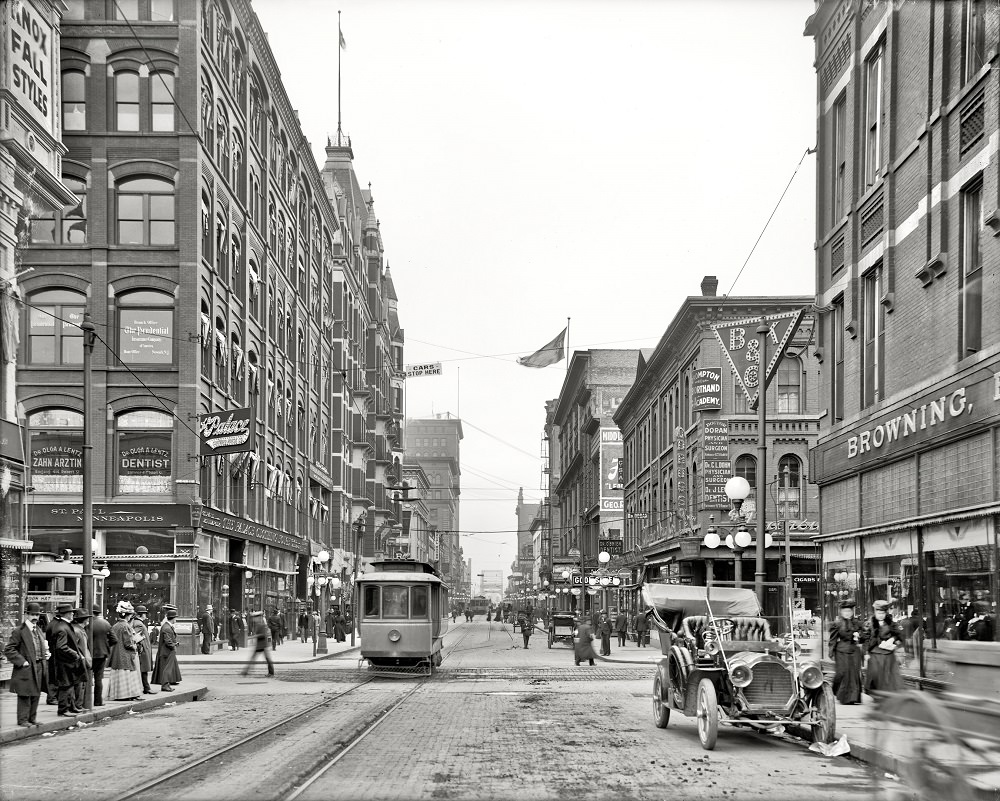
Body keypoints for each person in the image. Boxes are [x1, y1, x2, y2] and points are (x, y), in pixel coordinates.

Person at [4, 602, 47, 727]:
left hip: (39, 665)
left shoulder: (38, 630)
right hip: (26, 667)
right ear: (26, 615)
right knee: (25, 694)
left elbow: (40, 646)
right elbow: (9, 649)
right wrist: (22, 661)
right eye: (32, 614)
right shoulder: (19, 631)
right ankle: (23, 720)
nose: (35, 617)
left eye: (37, 615)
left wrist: (45, 654)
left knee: (36, 693)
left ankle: (32, 719)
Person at [45, 602, 85, 716]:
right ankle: (63, 709)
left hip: (65, 661)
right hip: (64, 662)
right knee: (65, 686)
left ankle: (71, 707)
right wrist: (75, 654)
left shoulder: (61, 625)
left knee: (70, 684)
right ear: (66, 614)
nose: (73, 615)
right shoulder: (62, 628)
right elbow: (61, 647)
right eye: (71, 613)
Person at [864, 600, 904, 694]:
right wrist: (866, 653)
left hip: (888, 654)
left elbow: (898, 635)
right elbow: (865, 639)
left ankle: (886, 694)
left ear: (886, 613)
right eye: (879, 613)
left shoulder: (891, 624)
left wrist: (892, 639)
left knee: (888, 676)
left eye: (883, 613)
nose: (881, 615)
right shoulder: (869, 624)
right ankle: (877, 693)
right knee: (876, 675)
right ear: (875, 612)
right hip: (875, 654)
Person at [828, 599, 864, 704]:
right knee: (842, 672)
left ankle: (852, 698)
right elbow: (833, 639)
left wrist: (859, 637)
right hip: (841, 651)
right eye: (845, 611)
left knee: (853, 673)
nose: (847, 613)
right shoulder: (837, 624)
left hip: (854, 650)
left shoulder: (857, 623)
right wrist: (831, 651)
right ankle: (840, 693)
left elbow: (865, 636)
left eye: (849, 611)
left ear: (852, 612)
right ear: (841, 612)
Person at [107, 601, 143, 701]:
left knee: (117, 675)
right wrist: (135, 644)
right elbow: (128, 643)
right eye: (130, 615)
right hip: (126, 656)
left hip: (116, 656)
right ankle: (126, 695)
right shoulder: (126, 626)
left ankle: (117, 695)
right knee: (128, 675)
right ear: (128, 615)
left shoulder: (115, 626)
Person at [152, 605, 183, 692]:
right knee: (167, 669)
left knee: (167, 669)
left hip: (167, 651)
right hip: (168, 652)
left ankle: (166, 685)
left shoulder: (166, 626)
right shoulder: (167, 628)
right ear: (172, 618)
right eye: (175, 618)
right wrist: (174, 645)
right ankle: (165, 685)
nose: (176, 620)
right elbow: (168, 641)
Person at [70, 608, 93, 711]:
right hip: (80, 661)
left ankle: (78, 705)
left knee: (80, 684)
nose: (88, 621)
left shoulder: (78, 629)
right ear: (84, 620)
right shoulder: (77, 631)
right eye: (87, 619)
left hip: (82, 660)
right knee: (79, 685)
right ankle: (77, 705)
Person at [90, 606, 112, 706]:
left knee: (84, 678)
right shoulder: (105, 623)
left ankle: (82, 701)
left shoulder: (87, 624)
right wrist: (105, 646)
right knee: (98, 678)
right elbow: (114, 639)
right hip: (101, 654)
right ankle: (98, 701)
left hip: (88, 654)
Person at [242, 611, 275, 677]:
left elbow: (263, 634)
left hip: (262, 644)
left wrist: (255, 636)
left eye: (255, 617)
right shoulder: (259, 624)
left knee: (265, 659)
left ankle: (271, 673)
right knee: (258, 658)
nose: (254, 619)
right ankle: (246, 671)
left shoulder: (261, 624)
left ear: (258, 618)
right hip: (260, 644)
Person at [132, 606, 154, 694]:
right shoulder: (138, 623)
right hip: (143, 650)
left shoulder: (138, 622)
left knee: (143, 670)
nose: (146, 615)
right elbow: (135, 637)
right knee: (143, 669)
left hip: (143, 649)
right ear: (141, 614)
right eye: (145, 613)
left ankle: (146, 687)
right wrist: (142, 638)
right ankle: (146, 688)